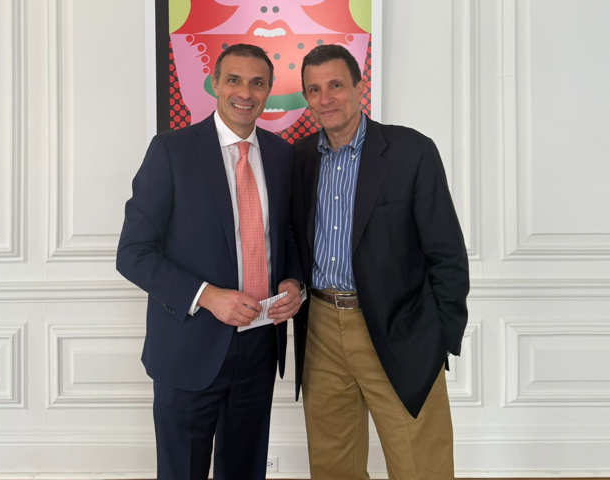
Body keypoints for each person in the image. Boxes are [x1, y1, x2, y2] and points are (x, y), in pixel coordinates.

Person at [116, 43, 304, 480]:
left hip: (259, 346)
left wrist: (293, 282)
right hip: (189, 347)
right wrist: (207, 296)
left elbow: (286, 235)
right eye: (234, 80)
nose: (246, 92)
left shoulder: (281, 155)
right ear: (215, 84)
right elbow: (133, 253)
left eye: (257, 83)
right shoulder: (171, 150)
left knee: (245, 471)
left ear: (269, 90)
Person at [290, 44, 470, 480]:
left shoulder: (411, 151)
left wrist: (438, 338)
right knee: (333, 467)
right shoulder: (300, 158)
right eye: (314, 90)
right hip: (321, 330)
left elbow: (446, 252)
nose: (325, 98)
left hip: (399, 328)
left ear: (359, 86)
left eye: (336, 85)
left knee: (420, 467)